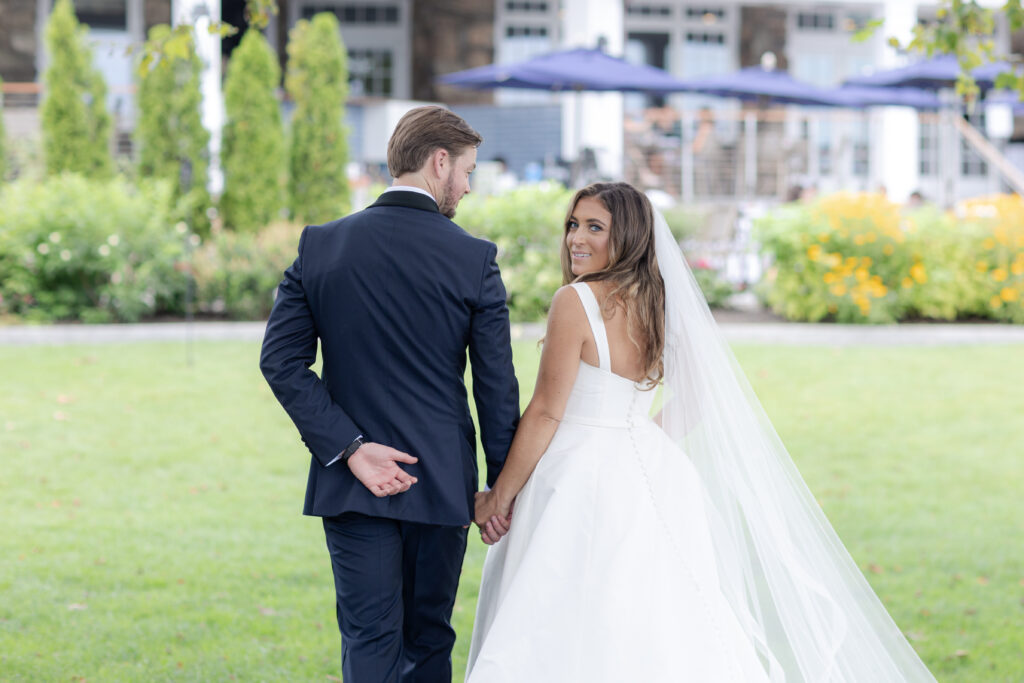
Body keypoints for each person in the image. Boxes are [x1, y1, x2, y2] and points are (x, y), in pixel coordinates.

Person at [466, 182, 936, 682]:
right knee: (654, 617)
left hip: (575, 477)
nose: (576, 239)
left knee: (557, 617)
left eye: (594, 227)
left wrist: (499, 498)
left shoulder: (575, 300)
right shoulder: (659, 301)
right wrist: (636, 441)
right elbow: (695, 399)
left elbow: (545, 412)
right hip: (652, 469)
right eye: (573, 225)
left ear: (626, 235)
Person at [259, 105, 520, 683]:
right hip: (441, 480)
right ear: (440, 160)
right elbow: (495, 387)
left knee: (369, 642)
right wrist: (500, 488)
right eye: (469, 171)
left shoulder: (321, 246)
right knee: (428, 642)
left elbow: (280, 361)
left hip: (352, 487)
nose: (469, 187)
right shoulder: (474, 259)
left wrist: (351, 448)